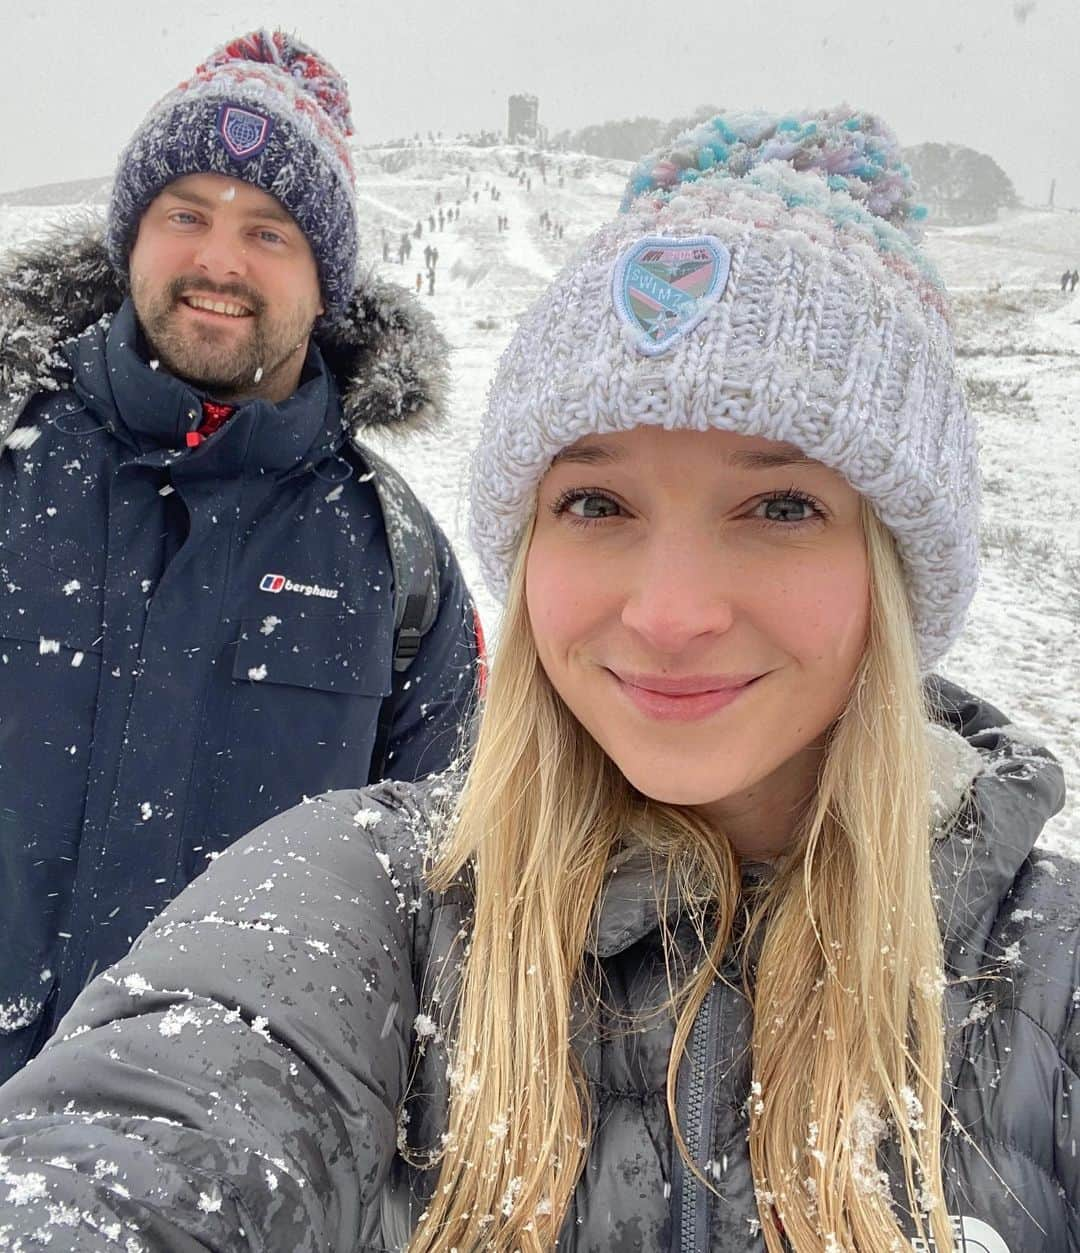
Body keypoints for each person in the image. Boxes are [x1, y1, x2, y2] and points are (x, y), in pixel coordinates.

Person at [0, 108, 1074, 1252]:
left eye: (782, 504)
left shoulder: (1043, 977)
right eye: (598, 503)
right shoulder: (371, 904)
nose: (668, 615)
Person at [0, 30, 481, 1085]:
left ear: (327, 281)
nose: (219, 260)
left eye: (270, 231)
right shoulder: (9, 466)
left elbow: (454, 914)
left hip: (228, 1164)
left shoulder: (397, 563)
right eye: (187, 214)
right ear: (132, 238)